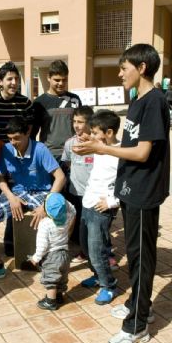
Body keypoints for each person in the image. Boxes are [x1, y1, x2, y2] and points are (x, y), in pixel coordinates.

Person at [74, 43, 170, 343]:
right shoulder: (138, 101)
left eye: (124, 68)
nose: (119, 74)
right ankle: (137, 304)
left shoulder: (154, 101)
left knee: (141, 258)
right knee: (136, 252)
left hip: (144, 192)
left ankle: (137, 325)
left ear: (141, 68)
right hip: (130, 190)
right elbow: (127, 145)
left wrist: (101, 149)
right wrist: (98, 141)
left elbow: (143, 152)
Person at [0, 117, 66, 283]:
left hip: (42, 193)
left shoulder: (40, 149)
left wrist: (46, 205)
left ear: (27, 132)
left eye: (17, 138)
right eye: (10, 138)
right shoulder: (7, 149)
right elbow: (0, 177)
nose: (13, 142)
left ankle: (51, 264)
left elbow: (60, 177)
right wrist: (11, 197)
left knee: (55, 215)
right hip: (17, 194)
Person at [0, 61, 35, 256]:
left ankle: (11, 242)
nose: (14, 82)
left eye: (16, 79)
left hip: (16, 159)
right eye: (9, 79)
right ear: (0, 82)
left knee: (16, 197)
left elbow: (30, 129)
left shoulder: (25, 102)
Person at [79, 110, 122, 305]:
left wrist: (112, 202)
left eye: (96, 132)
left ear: (109, 133)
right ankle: (98, 276)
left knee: (98, 251)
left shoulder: (120, 153)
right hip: (88, 203)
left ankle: (108, 285)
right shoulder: (101, 147)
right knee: (87, 247)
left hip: (102, 208)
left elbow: (126, 184)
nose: (93, 136)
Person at [29, 193, 76, 310]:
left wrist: (36, 258)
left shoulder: (45, 224)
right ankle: (58, 296)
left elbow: (42, 245)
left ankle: (50, 301)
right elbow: (73, 209)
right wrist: (63, 202)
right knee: (61, 277)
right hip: (65, 254)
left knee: (51, 279)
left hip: (52, 256)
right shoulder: (68, 216)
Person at [32, 60, 82, 159]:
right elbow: (33, 132)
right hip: (49, 155)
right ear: (48, 78)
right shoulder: (39, 102)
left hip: (73, 152)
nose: (61, 83)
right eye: (57, 80)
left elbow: (83, 126)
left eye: (64, 80)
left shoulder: (75, 99)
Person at [61, 106, 94, 251]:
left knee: (92, 224)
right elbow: (68, 163)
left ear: (89, 123)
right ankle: (83, 249)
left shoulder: (97, 143)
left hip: (92, 192)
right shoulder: (69, 143)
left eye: (80, 122)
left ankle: (98, 251)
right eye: (74, 121)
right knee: (79, 221)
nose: (76, 125)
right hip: (75, 191)